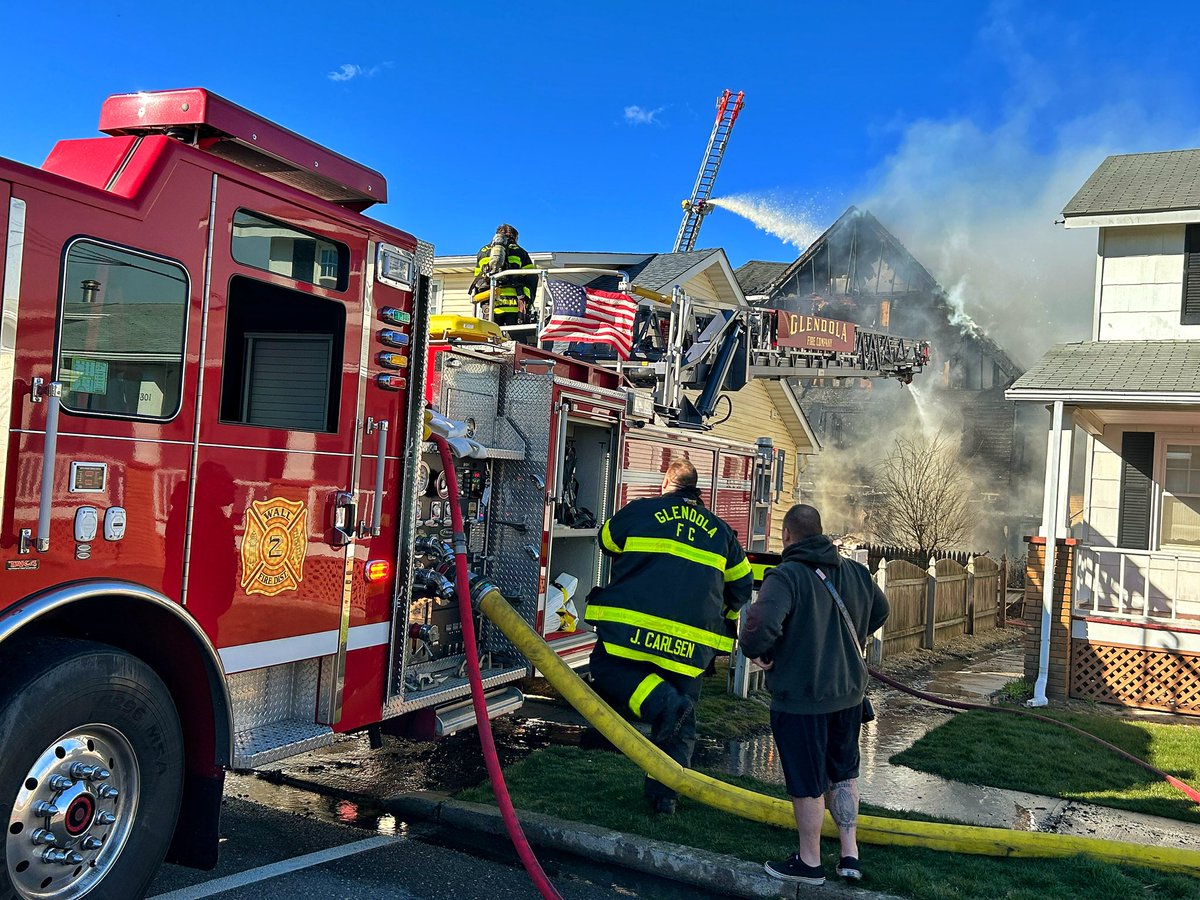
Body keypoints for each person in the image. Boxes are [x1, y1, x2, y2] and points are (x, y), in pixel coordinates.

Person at [585, 458, 753, 814]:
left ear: (666, 485)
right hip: (690, 646)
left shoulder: (641, 511)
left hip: (632, 635)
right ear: (697, 491)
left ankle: (663, 704)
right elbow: (742, 586)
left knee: (606, 668)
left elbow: (606, 541)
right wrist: (725, 617)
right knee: (683, 719)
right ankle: (665, 797)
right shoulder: (722, 533)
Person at [739, 504, 889, 886]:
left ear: (787, 536)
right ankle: (849, 855)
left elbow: (758, 626)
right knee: (843, 773)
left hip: (803, 698)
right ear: (820, 532)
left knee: (806, 781)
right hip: (849, 696)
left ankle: (809, 863)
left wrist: (759, 652)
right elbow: (882, 609)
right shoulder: (855, 571)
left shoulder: (785, 576)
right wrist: (859, 635)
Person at [469, 224, 538, 330]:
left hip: (490, 304)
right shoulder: (520, 252)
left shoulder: (483, 251)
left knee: (491, 336)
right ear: (515, 237)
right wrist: (528, 302)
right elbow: (532, 278)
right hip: (514, 306)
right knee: (515, 339)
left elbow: (478, 279)